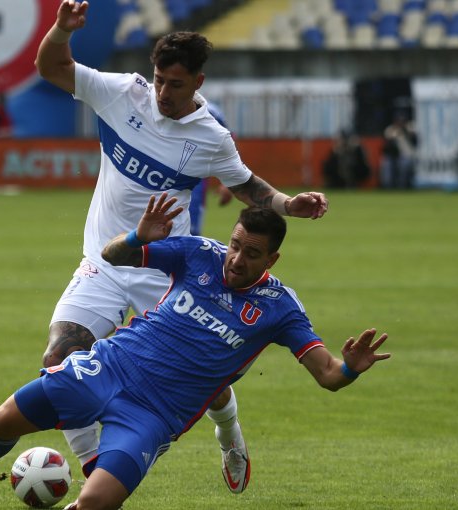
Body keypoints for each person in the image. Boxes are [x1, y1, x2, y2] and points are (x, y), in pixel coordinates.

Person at [0, 193, 391, 510]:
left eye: (252, 254)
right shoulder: (198, 252)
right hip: (110, 366)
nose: (237, 260)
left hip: (154, 415)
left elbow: (328, 375)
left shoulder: (280, 309)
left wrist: (351, 366)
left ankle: (231, 441)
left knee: (98, 502)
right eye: (236, 246)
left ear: (273, 259)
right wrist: (140, 236)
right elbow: (115, 256)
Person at [33, 0, 329, 492]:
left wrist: (286, 204)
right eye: (159, 80)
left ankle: (230, 435)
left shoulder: (210, 136)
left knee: (205, 383)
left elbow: (245, 185)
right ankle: (93, 474)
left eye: (175, 84)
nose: (163, 93)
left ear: (198, 83)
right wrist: (62, 29)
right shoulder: (123, 94)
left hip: (167, 269)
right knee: (58, 359)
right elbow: (50, 65)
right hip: (106, 259)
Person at [188, 103, 233, 235]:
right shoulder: (154, 103)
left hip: (193, 184)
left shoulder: (208, 111)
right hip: (155, 181)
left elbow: (228, 143)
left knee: (189, 237)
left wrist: (228, 182)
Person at [379, 114, 417, 190]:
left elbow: (414, 142)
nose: (400, 123)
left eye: (402, 121)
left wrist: (405, 132)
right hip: (392, 156)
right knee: (387, 164)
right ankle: (388, 187)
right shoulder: (391, 129)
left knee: (404, 164)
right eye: (399, 121)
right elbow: (387, 145)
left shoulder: (410, 128)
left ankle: (402, 187)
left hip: (406, 156)